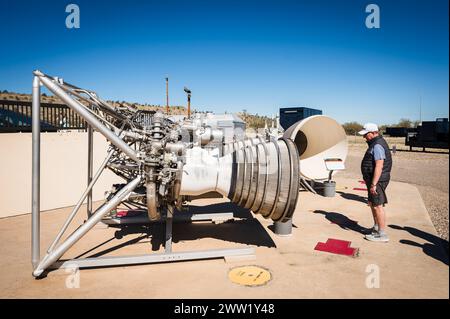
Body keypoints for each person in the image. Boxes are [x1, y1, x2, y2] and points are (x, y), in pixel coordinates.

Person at [358, 123, 392, 242]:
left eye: (366, 134)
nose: (364, 137)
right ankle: (377, 228)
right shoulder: (375, 143)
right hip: (373, 179)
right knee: (372, 203)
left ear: (374, 133)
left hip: (377, 180)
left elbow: (379, 165)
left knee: (377, 205)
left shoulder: (377, 145)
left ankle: (382, 234)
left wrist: (373, 184)